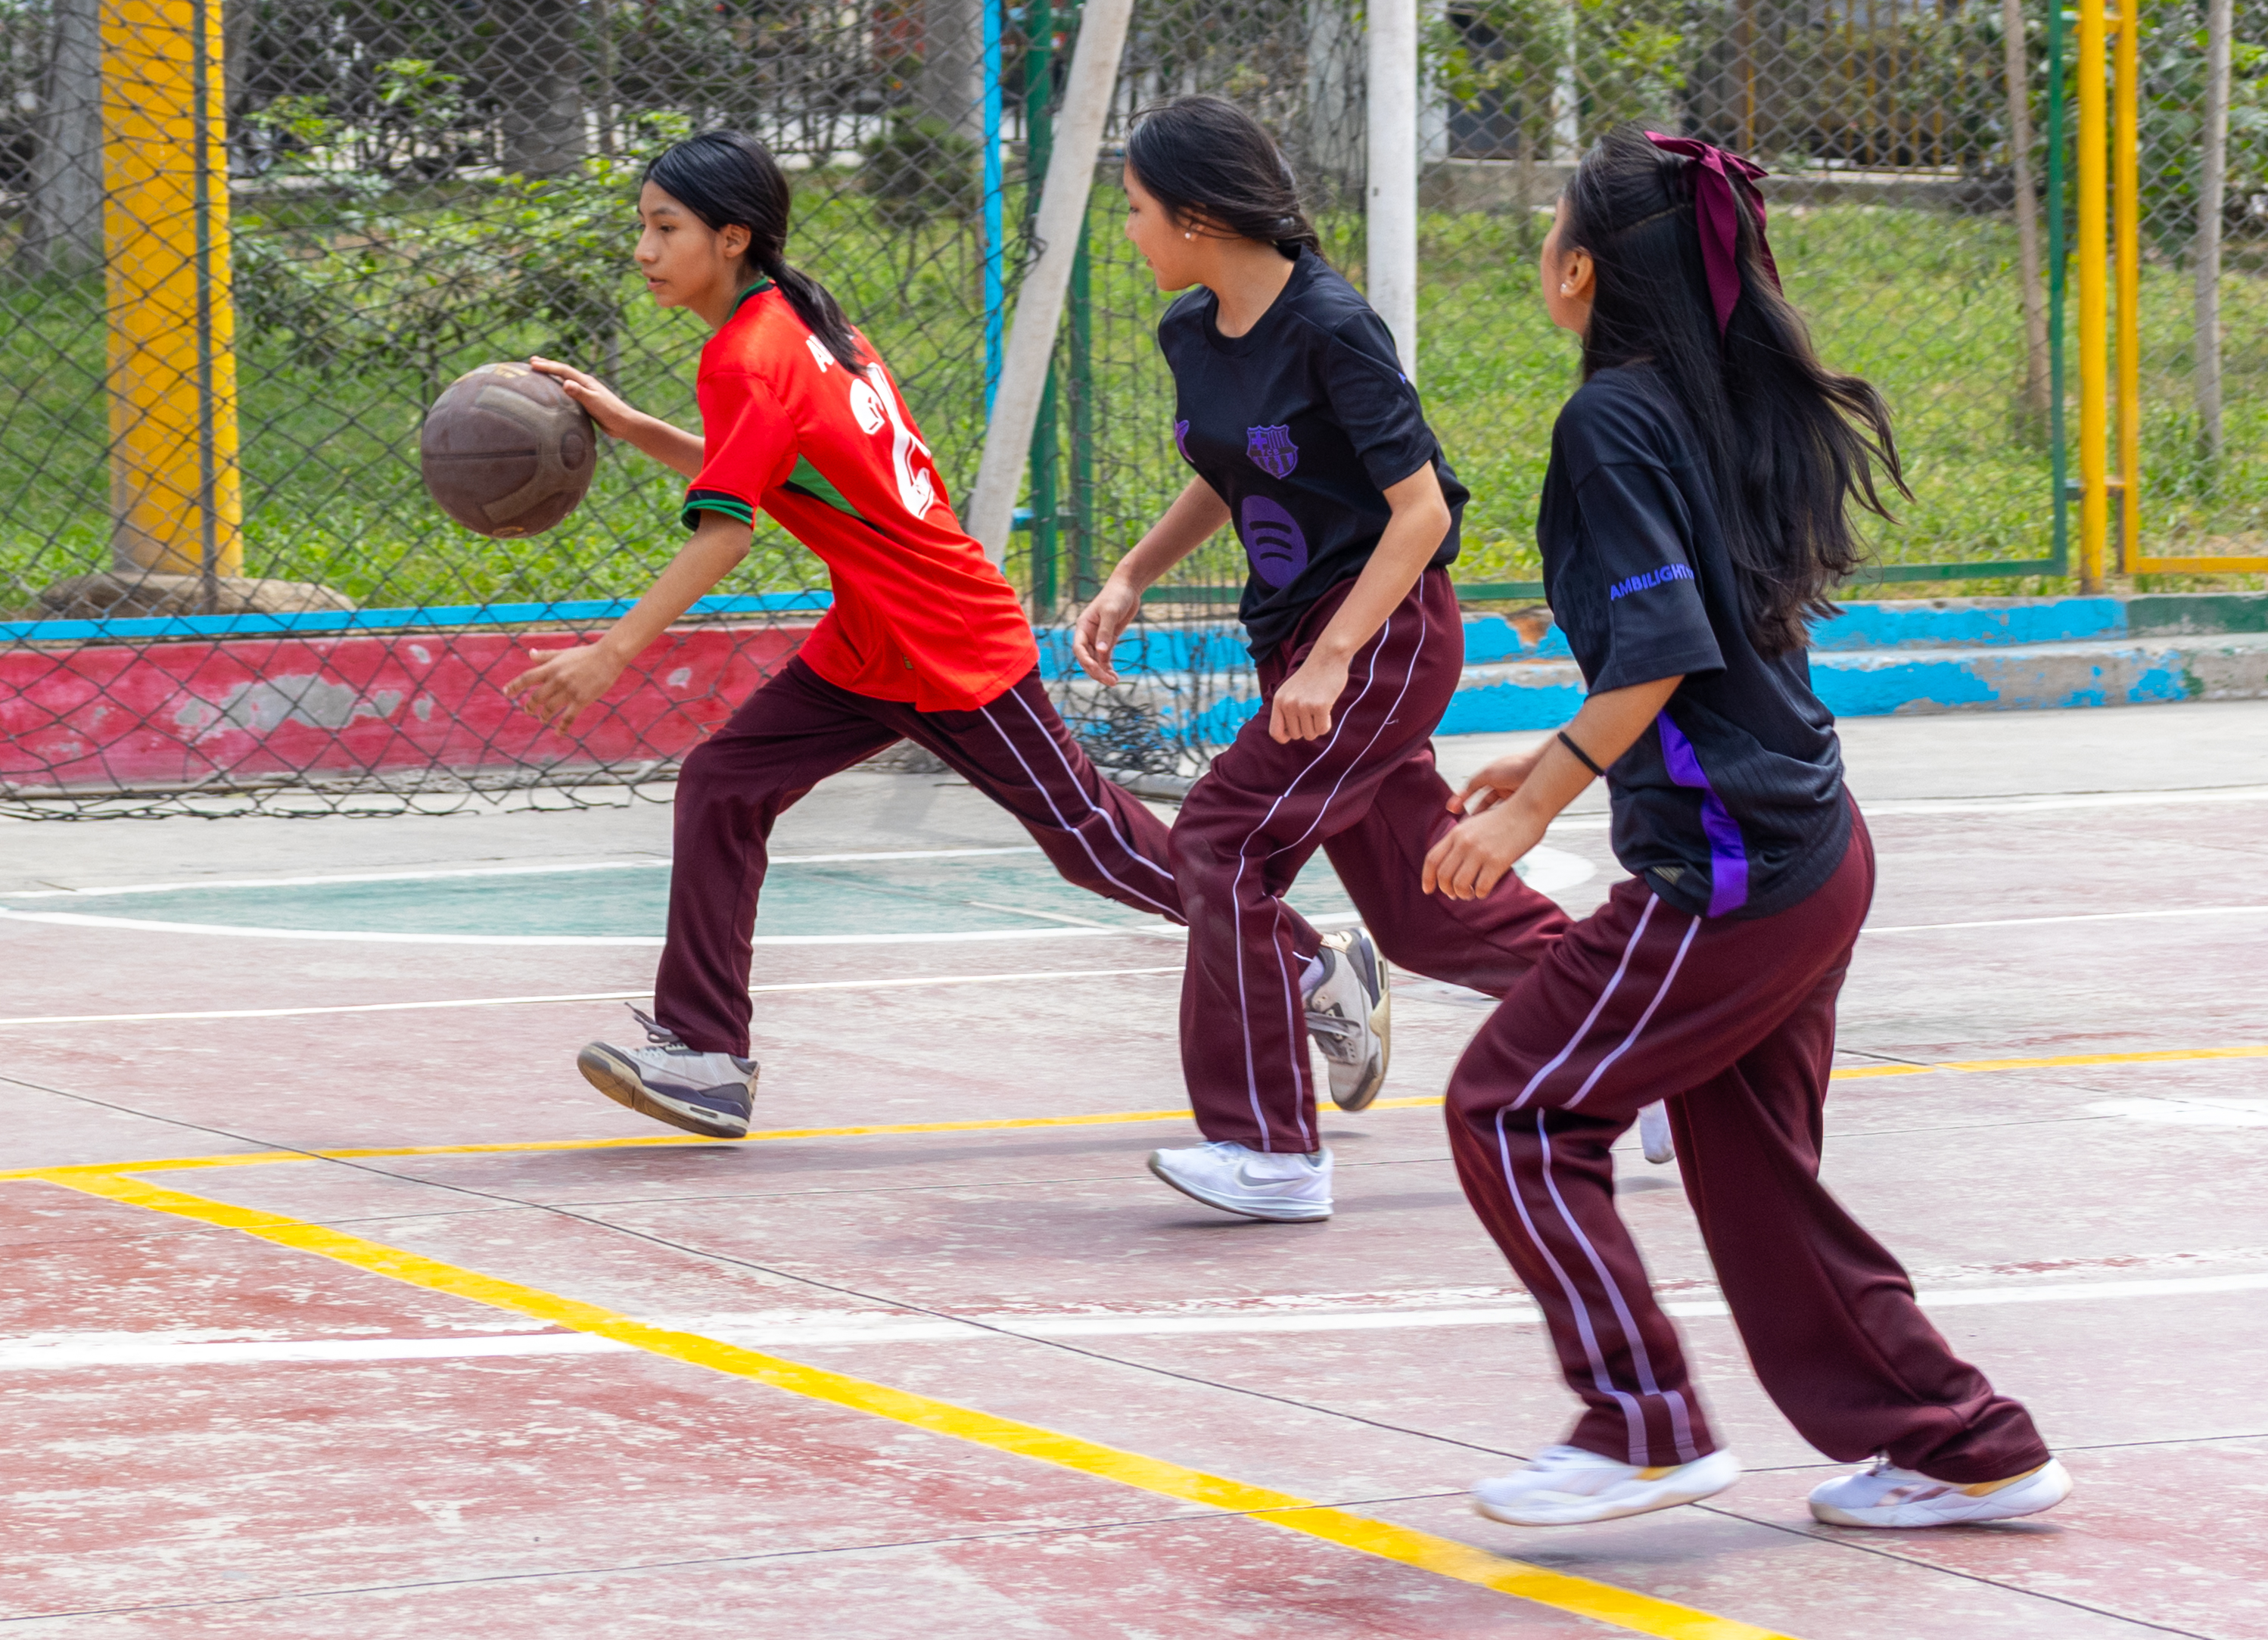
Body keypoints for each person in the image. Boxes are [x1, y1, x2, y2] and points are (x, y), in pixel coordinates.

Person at [1421, 125, 2070, 1531]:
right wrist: (1560, 748)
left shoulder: (1612, 419)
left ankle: (1640, 1422)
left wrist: (1535, 802)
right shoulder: (1714, 398)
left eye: (1548, 232)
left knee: (1513, 1108)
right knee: (1754, 1180)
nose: (1541, 254)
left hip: (1727, 872)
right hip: (1808, 844)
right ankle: (1963, 1442)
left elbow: (1662, 645)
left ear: (1579, 271)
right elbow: (1694, 642)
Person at [509, 129, 1180, 1141]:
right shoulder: (800, 322)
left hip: (946, 637)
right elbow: (774, 466)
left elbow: (729, 529)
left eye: (665, 228)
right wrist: (633, 424)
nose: (644, 250)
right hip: (878, 637)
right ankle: (706, 1057)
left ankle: (1305, 964)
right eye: (641, 228)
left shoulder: (748, 353)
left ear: (732, 237)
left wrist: (611, 653)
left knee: (1095, 845)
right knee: (724, 784)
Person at [1075, 96, 1570, 1224]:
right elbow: (1234, 470)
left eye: (1136, 209)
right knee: (1423, 910)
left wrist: (1334, 657)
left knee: (1220, 844)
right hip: (1299, 643)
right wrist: (1132, 573)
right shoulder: (1191, 331)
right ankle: (1636, 1027)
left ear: (1198, 216)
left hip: (1381, 637)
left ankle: (1272, 1153)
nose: (1129, 231)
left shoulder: (1333, 327)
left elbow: (1420, 514)